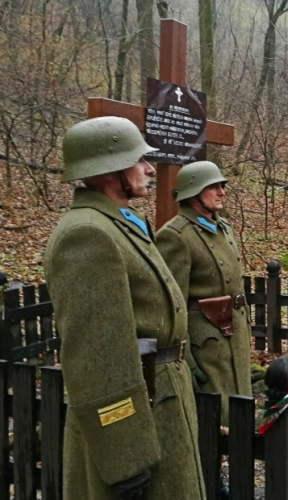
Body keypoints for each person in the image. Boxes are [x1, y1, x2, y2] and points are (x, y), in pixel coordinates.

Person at [43, 117, 205, 499]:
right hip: (136, 417)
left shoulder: (122, 223)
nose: (150, 169)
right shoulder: (87, 234)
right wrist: (124, 459)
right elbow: (97, 355)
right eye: (138, 161)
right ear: (108, 172)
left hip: (160, 399)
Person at [155, 161, 253, 426]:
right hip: (205, 344)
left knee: (238, 410)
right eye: (214, 187)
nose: (222, 192)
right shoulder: (175, 236)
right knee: (212, 417)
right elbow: (170, 304)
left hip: (234, 334)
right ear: (193, 192)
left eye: (222, 186)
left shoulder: (224, 228)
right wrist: (186, 358)